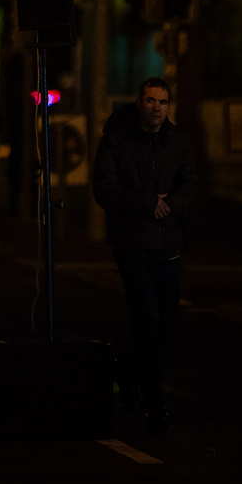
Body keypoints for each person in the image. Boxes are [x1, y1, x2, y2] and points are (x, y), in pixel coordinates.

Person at [92, 76, 198, 430]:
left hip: (168, 244)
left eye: (163, 102)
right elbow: (105, 189)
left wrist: (171, 206)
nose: (157, 108)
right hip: (132, 244)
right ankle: (155, 402)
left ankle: (126, 368)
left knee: (164, 324)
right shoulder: (117, 140)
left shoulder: (178, 141)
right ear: (139, 103)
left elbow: (190, 185)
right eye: (151, 101)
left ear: (170, 106)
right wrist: (147, 203)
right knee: (148, 321)